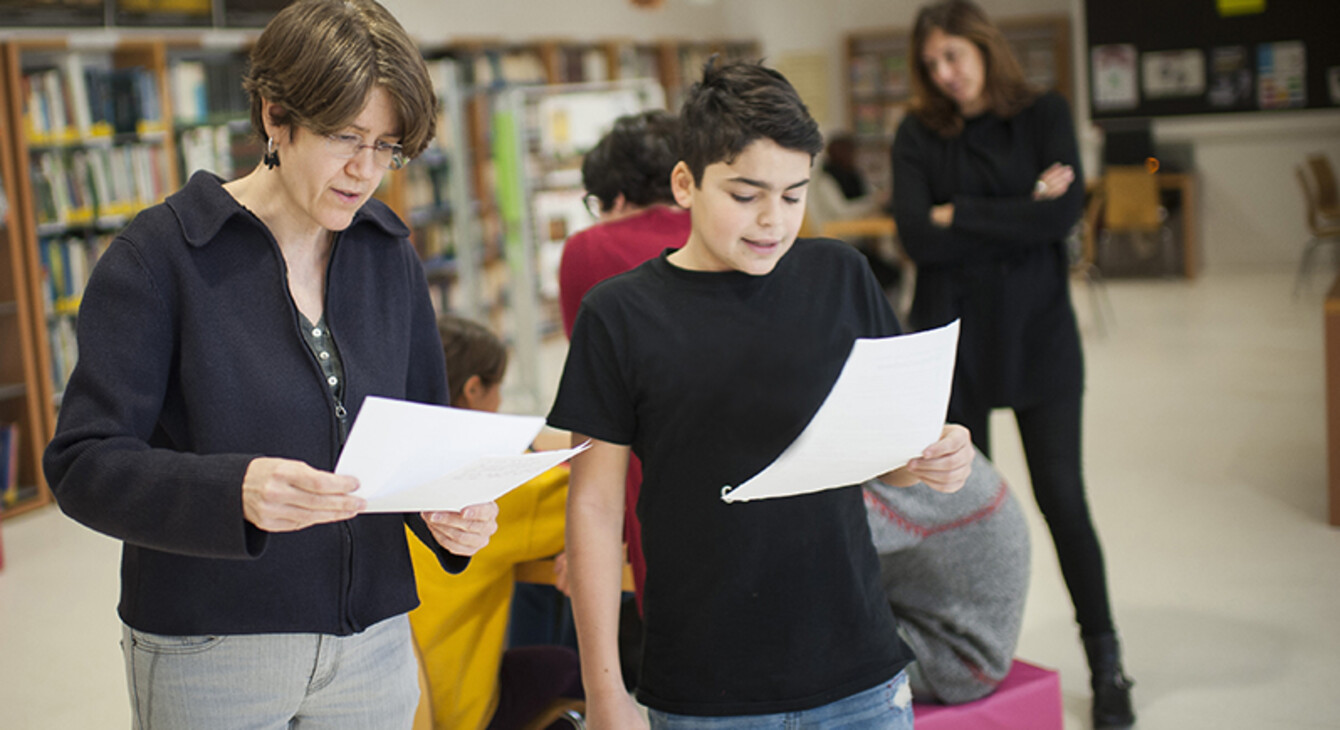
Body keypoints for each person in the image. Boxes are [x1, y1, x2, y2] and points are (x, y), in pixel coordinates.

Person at [41, 2, 499, 727]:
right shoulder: (160, 259)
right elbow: (83, 465)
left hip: (373, 641)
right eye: (344, 137)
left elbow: (416, 443)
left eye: (387, 147)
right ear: (274, 117)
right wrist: (235, 491)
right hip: (214, 644)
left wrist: (447, 510)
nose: (365, 170)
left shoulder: (388, 254)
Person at [548, 58, 975, 730]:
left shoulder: (840, 276)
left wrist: (932, 455)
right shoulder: (619, 316)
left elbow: (884, 454)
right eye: (746, 195)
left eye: (793, 194)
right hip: (704, 684)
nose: (773, 220)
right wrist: (605, 693)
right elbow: (595, 508)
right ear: (685, 183)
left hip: (857, 667)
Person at [889, 1, 1134, 727]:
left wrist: (954, 212)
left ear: (985, 48)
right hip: (951, 349)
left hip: (1040, 339)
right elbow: (911, 235)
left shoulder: (1045, 113)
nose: (945, 74)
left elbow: (1062, 220)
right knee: (961, 514)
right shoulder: (917, 131)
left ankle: (1109, 662)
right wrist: (1013, 207)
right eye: (932, 64)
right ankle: (976, 659)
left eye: (954, 57)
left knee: (1063, 499)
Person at [408, 315, 581, 730]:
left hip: (395, 704)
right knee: (566, 665)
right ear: (473, 388)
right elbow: (598, 500)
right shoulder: (497, 485)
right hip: (458, 714)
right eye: (498, 386)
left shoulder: (396, 465)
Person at [557, 108, 690, 623]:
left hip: (641, 478)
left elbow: (595, 399)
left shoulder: (589, 249)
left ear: (613, 196)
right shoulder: (729, 230)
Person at [864, 449, 1030, 705]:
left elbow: (833, 542)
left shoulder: (915, 480)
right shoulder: (927, 455)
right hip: (940, 623)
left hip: (956, 660)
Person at [806, 132, 903, 293]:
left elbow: (870, 195)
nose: (855, 157)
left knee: (891, 271)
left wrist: (877, 200)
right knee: (880, 274)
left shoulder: (855, 175)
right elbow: (843, 211)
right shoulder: (826, 180)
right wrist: (873, 202)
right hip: (840, 239)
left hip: (859, 239)